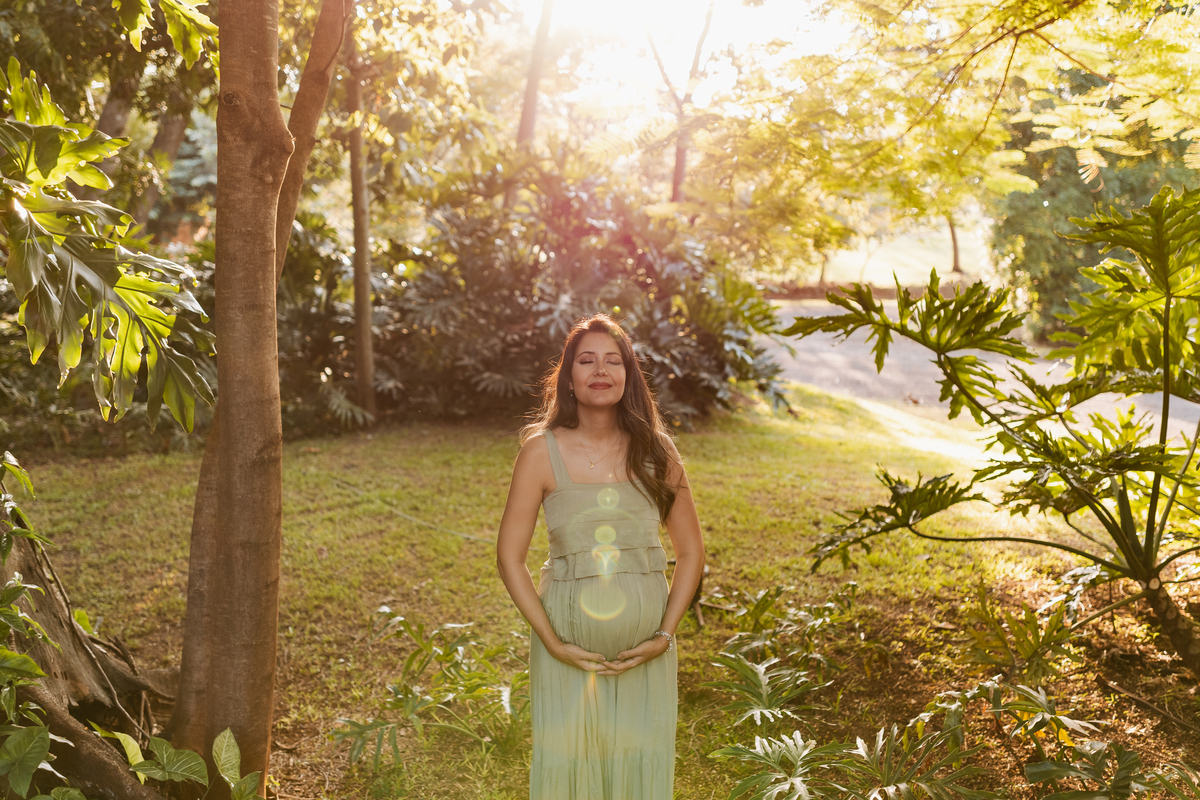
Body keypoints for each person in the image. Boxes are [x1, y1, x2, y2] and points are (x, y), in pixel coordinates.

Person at [496, 314, 705, 800]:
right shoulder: (540, 453)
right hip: (568, 652)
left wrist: (664, 636)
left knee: (641, 770)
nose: (600, 370)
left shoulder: (658, 452)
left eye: (614, 360)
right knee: (568, 772)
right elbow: (510, 558)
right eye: (586, 360)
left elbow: (691, 552)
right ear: (568, 376)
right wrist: (552, 643)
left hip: (646, 655)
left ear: (629, 375)